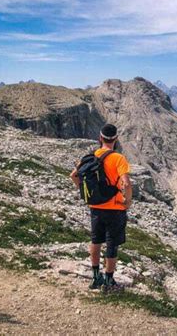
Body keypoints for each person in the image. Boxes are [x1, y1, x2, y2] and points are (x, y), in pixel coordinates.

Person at [70, 124, 132, 290]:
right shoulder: (119, 158)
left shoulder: (90, 156)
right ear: (116, 139)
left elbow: (74, 175)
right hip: (115, 208)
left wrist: (86, 194)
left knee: (96, 240)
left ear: (100, 138)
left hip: (95, 206)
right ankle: (109, 280)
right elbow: (126, 183)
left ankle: (96, 277)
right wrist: (127, 201)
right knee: (112, 244)